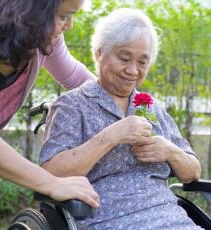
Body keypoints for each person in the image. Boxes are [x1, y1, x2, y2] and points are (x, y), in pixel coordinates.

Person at [40, 8, 202, 229]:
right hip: (110, 221)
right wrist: (111, 136)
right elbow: (52, 173)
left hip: (173, 220)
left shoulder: (151, 107)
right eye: (124, 58)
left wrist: (170, 151)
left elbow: (192, 173)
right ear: (99, 53)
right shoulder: (72, 106)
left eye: (143, 62)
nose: (133, 70)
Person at [0, 0, 100, 208]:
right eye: (63, 16)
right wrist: (52, 183)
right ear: (32, 11)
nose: (69, 25)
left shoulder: (41, 40)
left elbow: (76, 77)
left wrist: (137, 103)